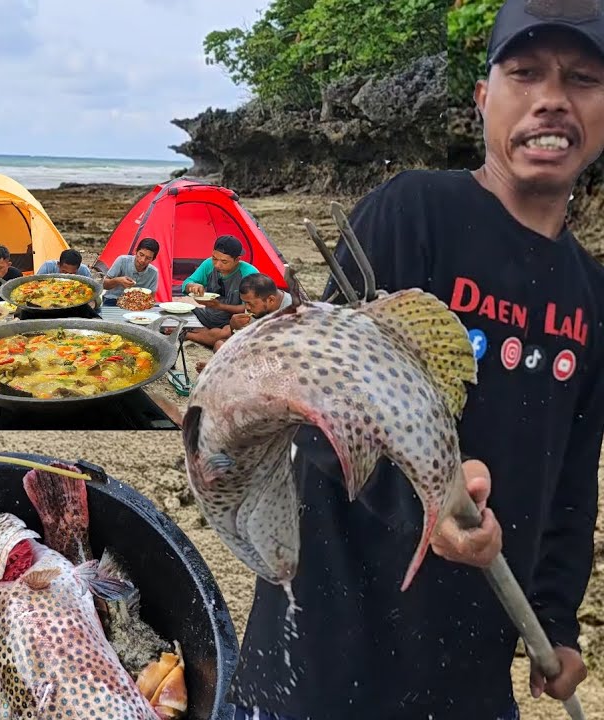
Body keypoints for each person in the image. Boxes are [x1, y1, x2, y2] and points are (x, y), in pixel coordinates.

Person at [230, 3, 604, 718]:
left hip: (475, 654)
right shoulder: (412, 216)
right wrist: (428, 505)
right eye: (524, 73)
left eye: (582, 78)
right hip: (334, 639)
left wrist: (555, 618)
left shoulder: (592, 294)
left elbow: (572, 478)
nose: (552, 97)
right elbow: (313, 416)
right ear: (483, 97)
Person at [179, 235, 261, 344]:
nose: (217, 264)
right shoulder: (209, 264)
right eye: (214, 258)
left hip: (234, 320)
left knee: (226, 333)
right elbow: (186, 283)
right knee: (176, 314)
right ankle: (206, 334)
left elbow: (250, 308)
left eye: (224, 261)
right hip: (209, 315)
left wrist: (220, 306)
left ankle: (189, 335)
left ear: (237, 260)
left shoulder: (249, 274)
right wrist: (192, 286)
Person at [101, 237, 160, 304]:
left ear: (153, 259)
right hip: (113, 299)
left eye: (148, 258)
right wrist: (118, 280)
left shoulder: (153, 272)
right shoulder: (122, 261)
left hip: (137, 304)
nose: (143, 260)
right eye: (141, 254)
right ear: (136, 251)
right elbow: (104, 285)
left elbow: (151, 297)